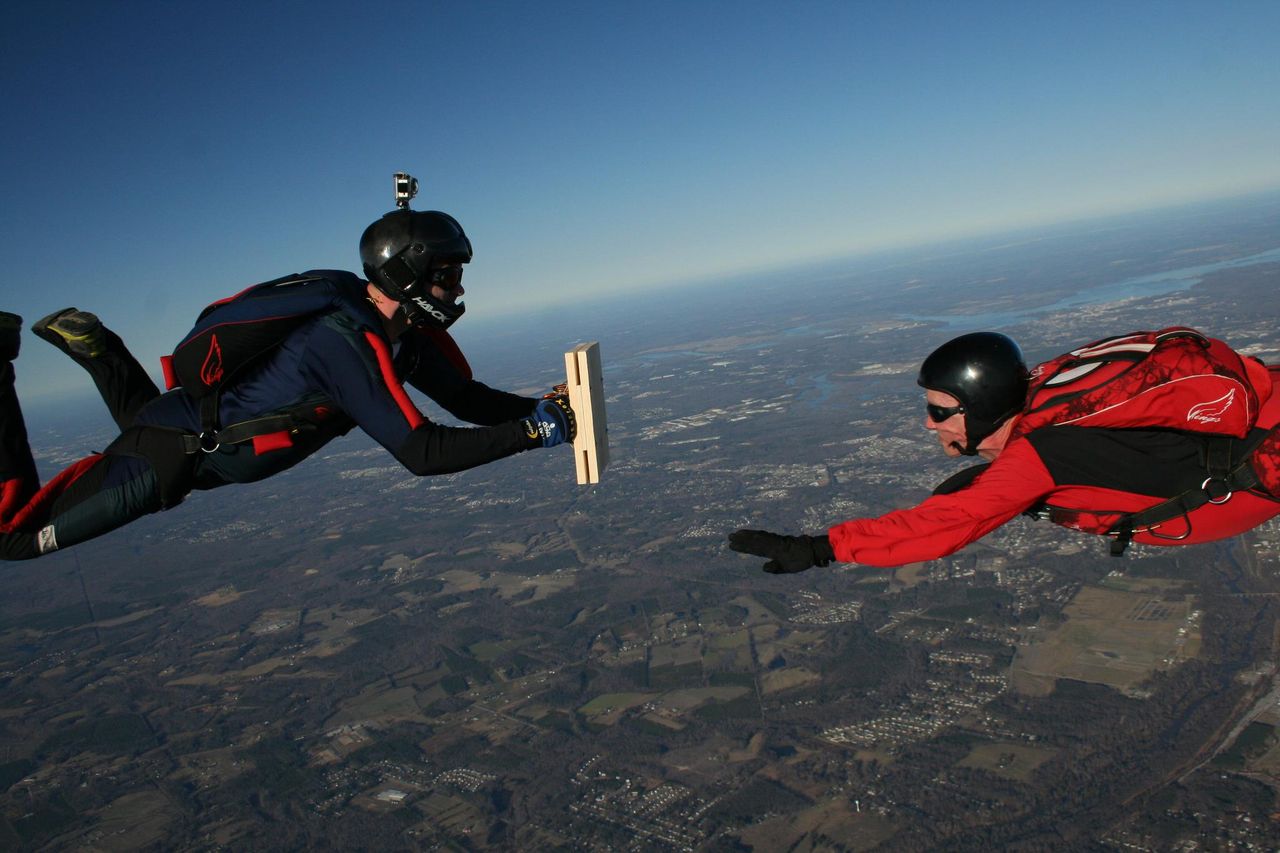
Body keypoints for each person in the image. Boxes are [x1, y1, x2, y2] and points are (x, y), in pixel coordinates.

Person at [0, 209, 575, 560]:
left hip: (179, 426)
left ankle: (101, 350)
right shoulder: (346, 343)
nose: (457, 288)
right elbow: (423, 453)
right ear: (407, 276)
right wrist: (531, 432)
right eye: (448, 275)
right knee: (12, 535)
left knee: (148, 424)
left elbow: (468, 400)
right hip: (170, 458)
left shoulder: (403, 340)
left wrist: (542, 409)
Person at [729, 330, 1280, 573]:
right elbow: (964, 495)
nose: (929, 424)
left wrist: (821, 549)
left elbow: (945, 525)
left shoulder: (1041, 453)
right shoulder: (1049, 403)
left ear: (983, 402)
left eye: (941, 411)